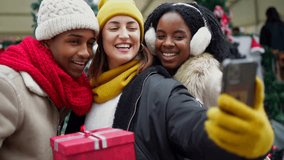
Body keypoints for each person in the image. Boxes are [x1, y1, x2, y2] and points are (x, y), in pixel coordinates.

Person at [66, 0, 274, 160]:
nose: (124, 35)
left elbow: (193, 126)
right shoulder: (87, 89)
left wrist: (240, 136)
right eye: (113, 28)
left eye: (131, 27)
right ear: (100, 38)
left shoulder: (159, 88)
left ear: (142, 37)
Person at [0, 0, 99, 159]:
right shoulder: (7, 86)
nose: (86, 52)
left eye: (90, 43)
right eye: (74, 41)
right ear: (47, 41)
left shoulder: (62, 86)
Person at [144, 2, 238, 108]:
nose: (167, 43)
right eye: (160, 36)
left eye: (178, 37)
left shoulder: (212, 81)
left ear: (198, 41)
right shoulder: (149, 76)